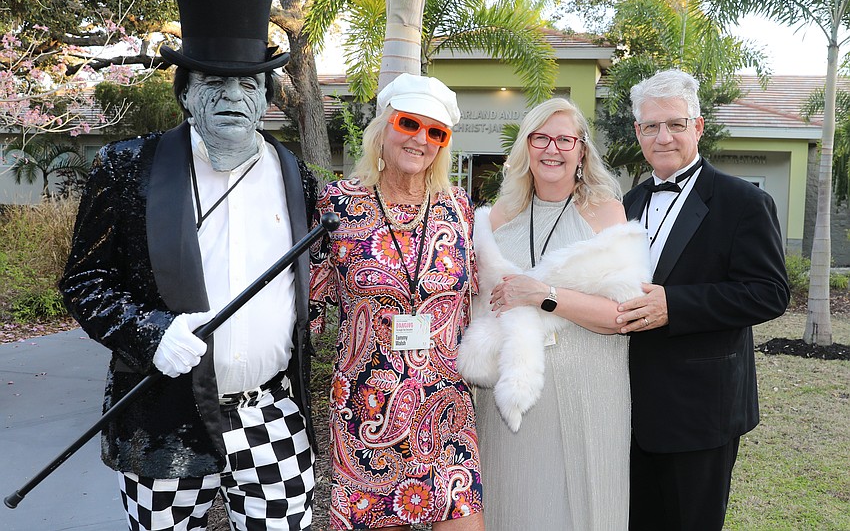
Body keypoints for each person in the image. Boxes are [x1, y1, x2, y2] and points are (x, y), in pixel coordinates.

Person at [60, 0, 318, 531]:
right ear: (186, 93)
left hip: (269, 413)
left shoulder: (296, 178)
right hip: (163, 418)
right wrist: (151, 332)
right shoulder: (128, 168)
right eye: (213, 82)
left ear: (267, 97)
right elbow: (85, 281)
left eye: (247, 83)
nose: (232, 96)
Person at [459, 97, 649, 530]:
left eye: (565, 139)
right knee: (515, 500)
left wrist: (542, 294)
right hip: (509, 390)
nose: (552, 149)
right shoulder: (494, 219)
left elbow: (621, 315)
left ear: (581, 150)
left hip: (589, 387)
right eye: (541, 137)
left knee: (583, 506)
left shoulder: (606, 213)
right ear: (526, 146)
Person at [616, 69, 790, 530]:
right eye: (651, 126)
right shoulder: (627, 203)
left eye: (675, 123)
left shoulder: (742, 202)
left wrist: (675, 306)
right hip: (628, 407)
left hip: (701, 411)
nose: (663, 136)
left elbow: (769, 293)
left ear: (698, 126)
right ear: (638, 132)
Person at [309, 73, 484, 530]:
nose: (420, 139)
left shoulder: (458, 207)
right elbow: (307, 303)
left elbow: (479, 297)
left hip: (447, 408)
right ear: (383, 128)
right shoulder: (338, 204)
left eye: (435, 132)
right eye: (409, 123)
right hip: (366, 411)